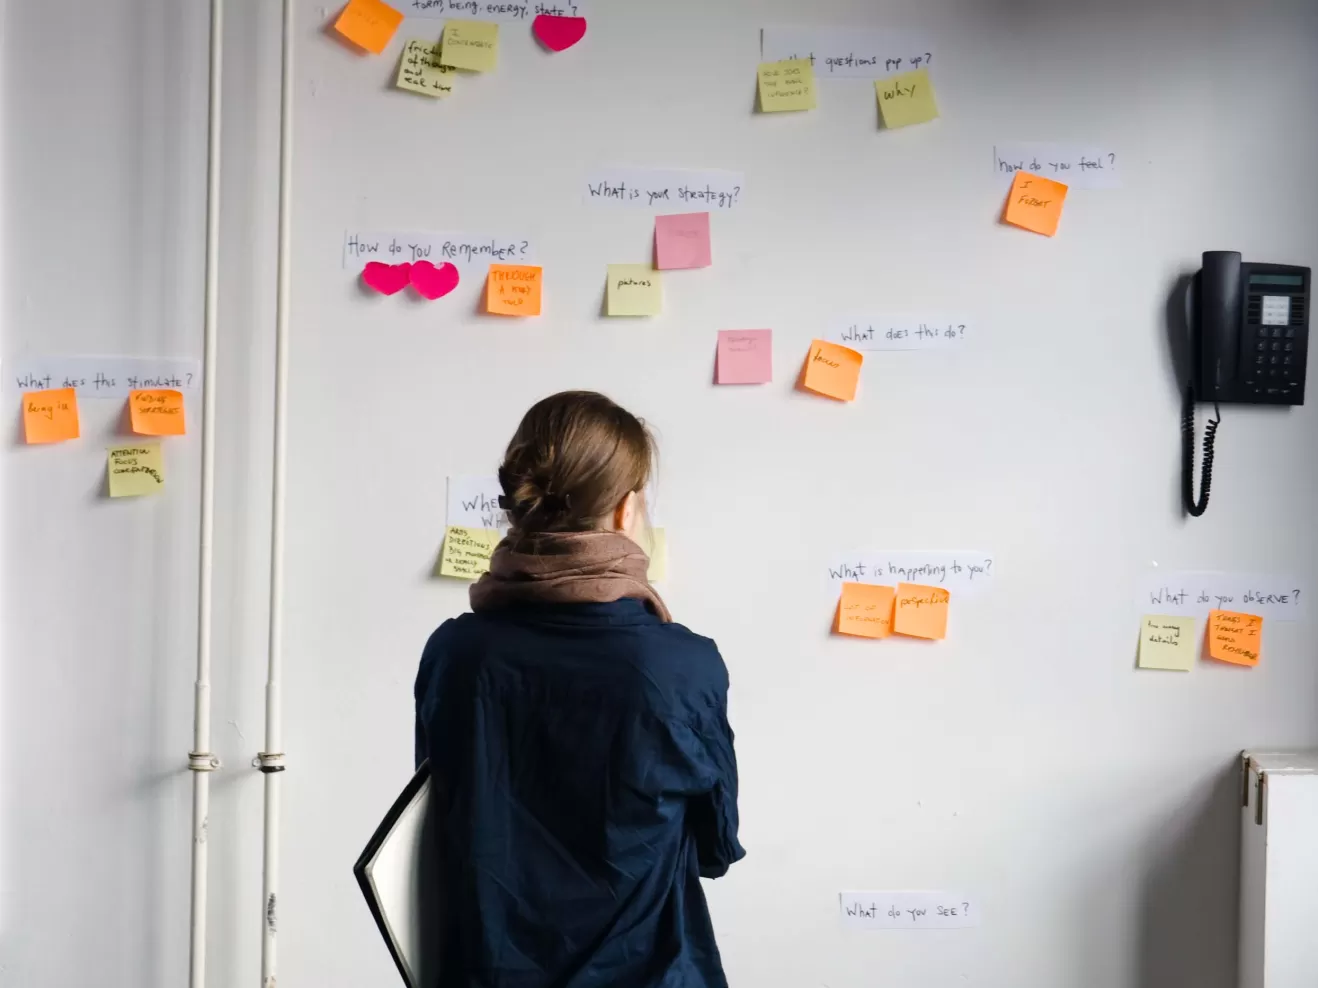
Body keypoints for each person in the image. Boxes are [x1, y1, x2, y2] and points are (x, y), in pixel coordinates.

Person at [414, 391, 744, 988]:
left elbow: (441, 819)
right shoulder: (683, 666)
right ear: (625, 510)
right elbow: (715, 847)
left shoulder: (455, 653)